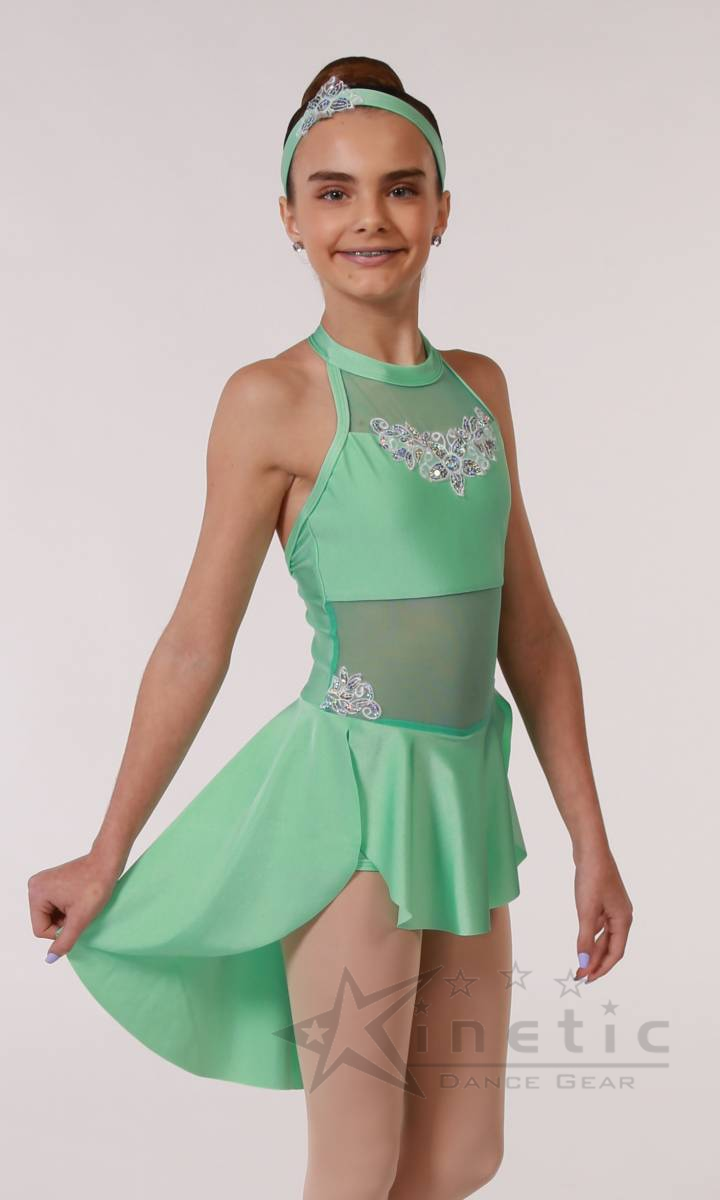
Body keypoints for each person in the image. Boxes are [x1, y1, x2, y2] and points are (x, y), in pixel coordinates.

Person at [27, 57, 633, 1199]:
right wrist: (108, 851)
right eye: (334, 191)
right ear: (291, 218)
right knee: (357, 1163)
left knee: (462, 1155)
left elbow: (535, 634)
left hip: (464, 798)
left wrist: (589, 843)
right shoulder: (273, 400)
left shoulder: (481, 389)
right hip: (351, 810)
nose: (370, 217)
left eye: (401, 188)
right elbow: (195, 641)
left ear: (442, 209)